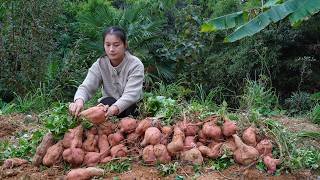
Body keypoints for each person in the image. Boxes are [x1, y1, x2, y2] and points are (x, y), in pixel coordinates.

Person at [69, 26, 144, 118]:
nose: (111, 49)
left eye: (116, 45)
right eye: (108, 45)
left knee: (132, 108)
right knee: (107, 101)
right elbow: (87, 87)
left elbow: (131, 95)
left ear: (125, 45)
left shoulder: (135, 64)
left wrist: (115, 108)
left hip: (131, 107)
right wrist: (79, 100)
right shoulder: (100, 64)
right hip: (108, 106)